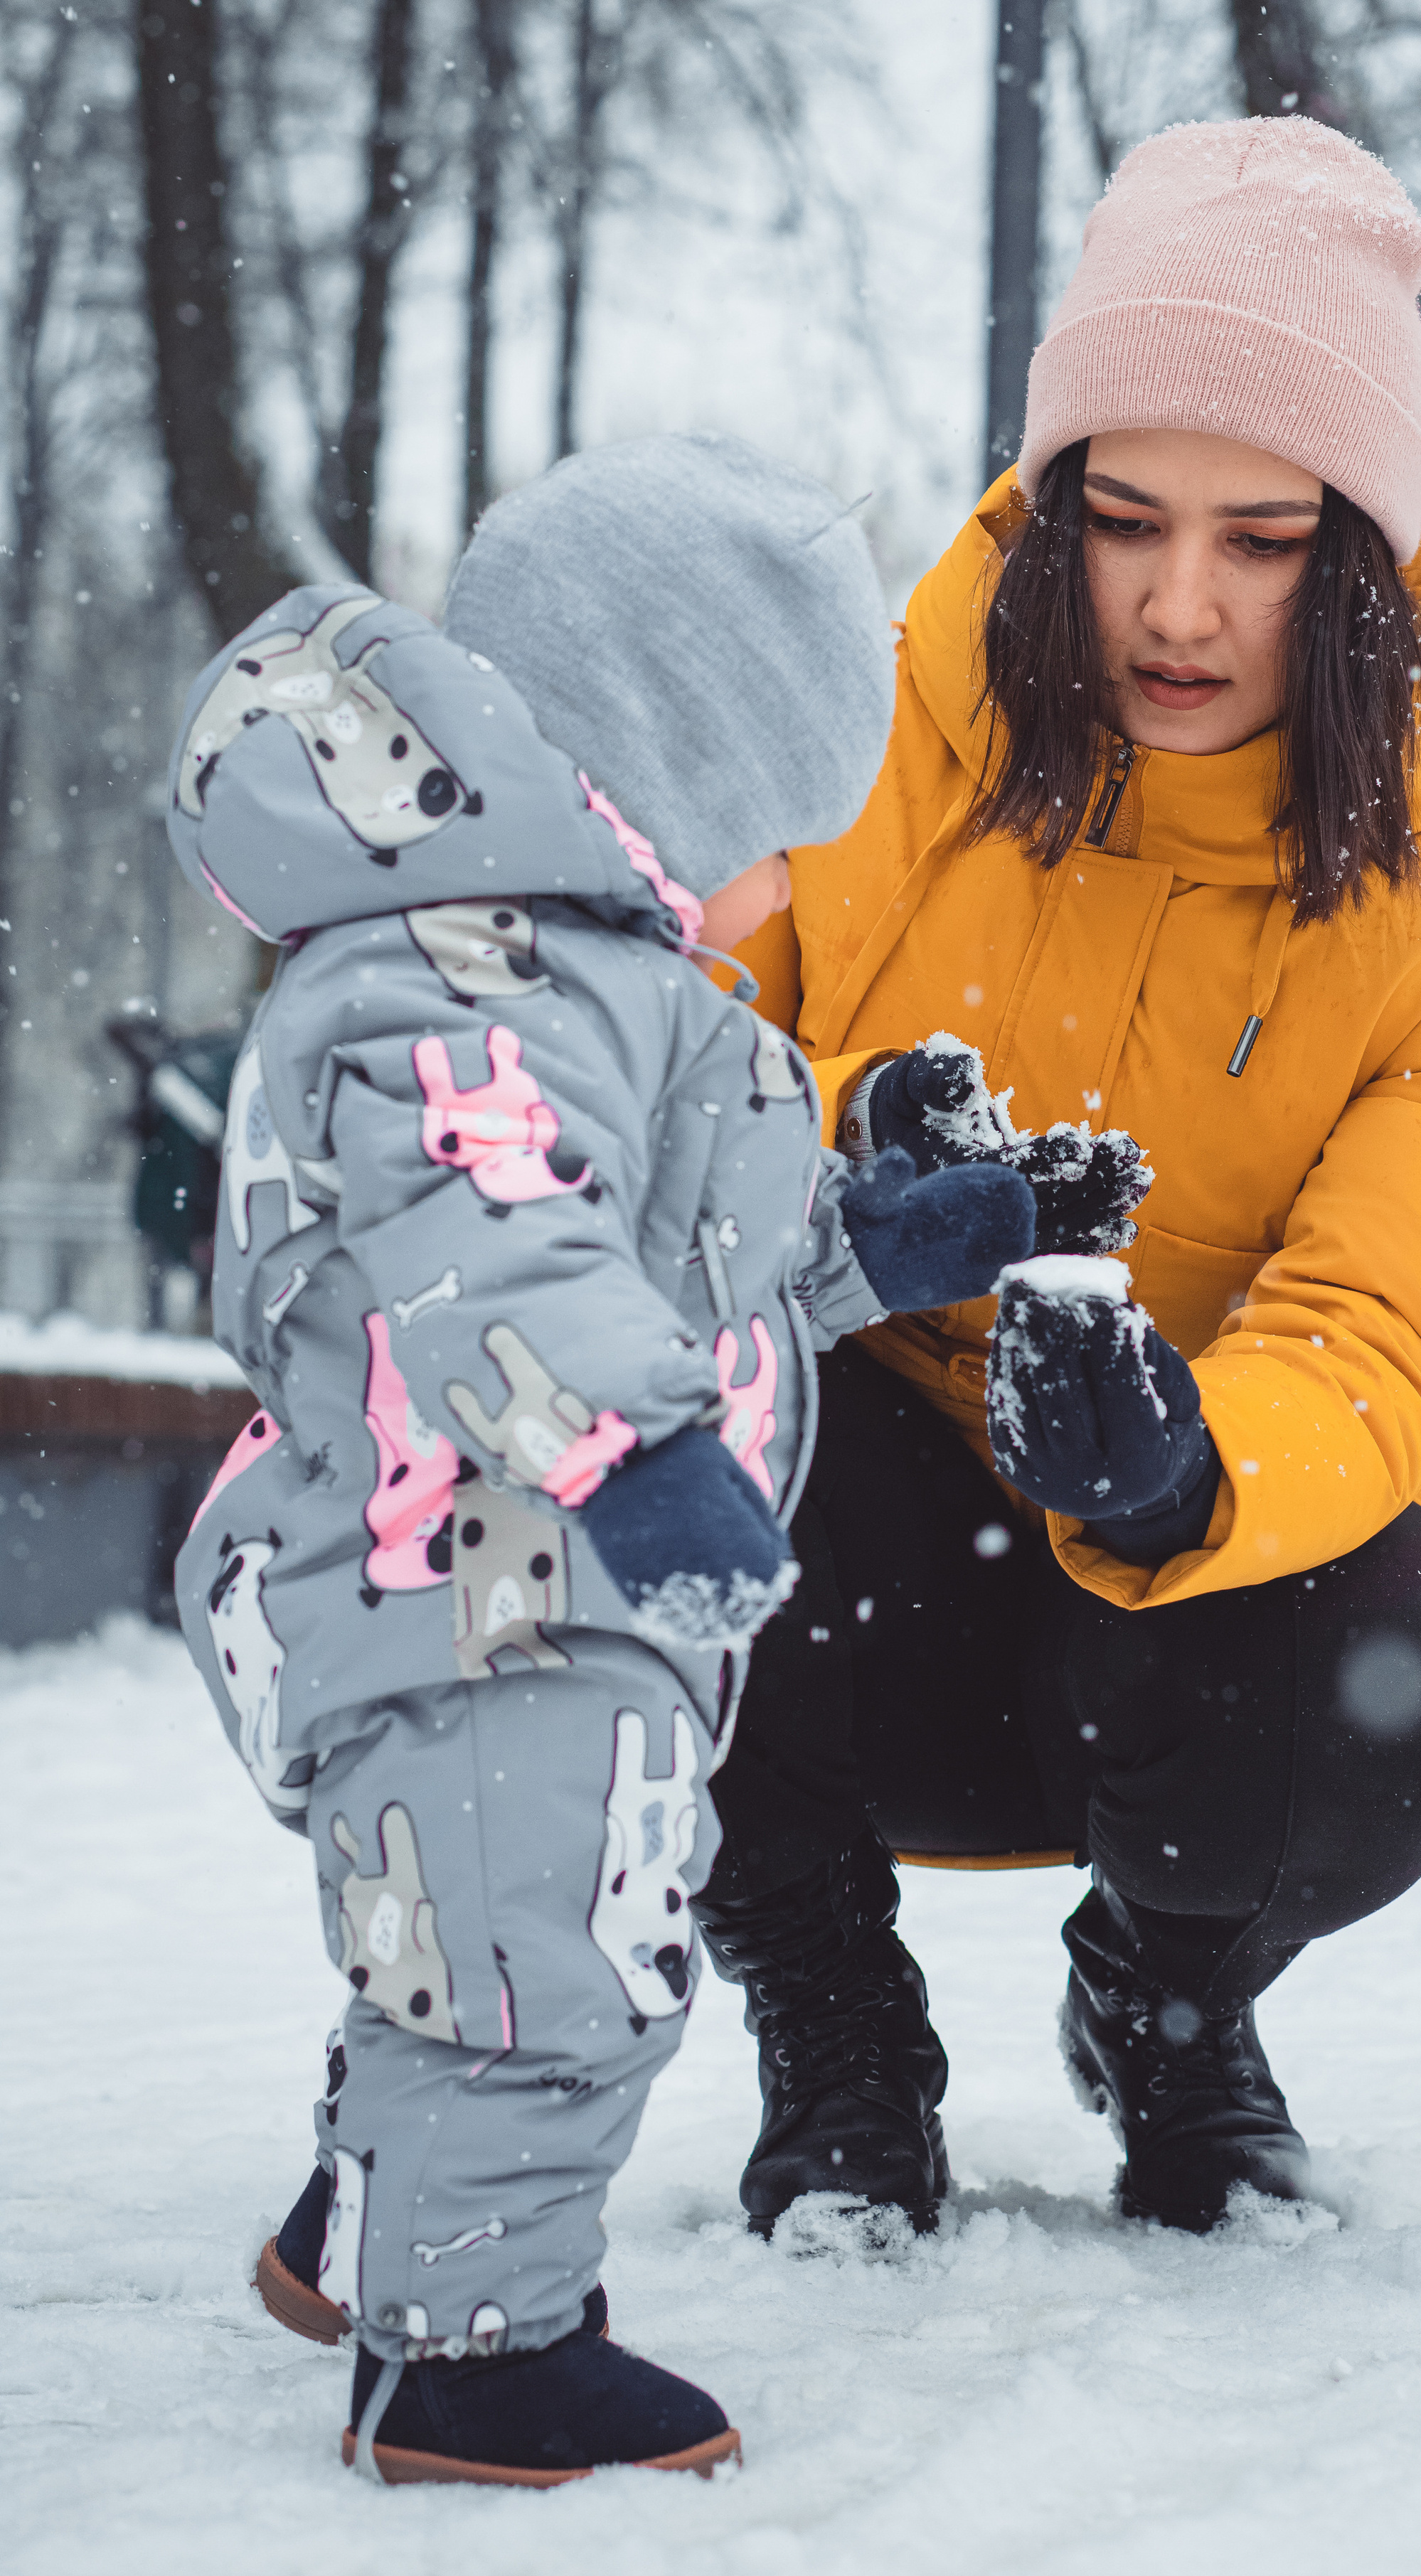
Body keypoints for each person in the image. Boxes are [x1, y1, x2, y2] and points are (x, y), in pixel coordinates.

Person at [694, 118, 1421, 2240]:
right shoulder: (891, 735)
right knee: (626, 1476)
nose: (1181, 608)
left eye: (1266, 539)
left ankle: (1168, 2005)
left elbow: (1380, 1323)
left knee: (1412, 1679)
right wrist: (819, 1145)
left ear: (1357, 556)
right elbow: (668, 1079)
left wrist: (1186, 1473)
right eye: (1125, 518)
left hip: (1200, 1585)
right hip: (868, 1526)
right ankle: (831, 2024)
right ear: (1054, 511)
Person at [166, 434, 1037, 2485]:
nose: (787, 887)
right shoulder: (477, 984)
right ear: (669, 771)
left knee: (459, 1932)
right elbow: (492, 1245)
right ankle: (468, 2353)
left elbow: (682, 1250)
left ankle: (364, 2229)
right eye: (777, 838)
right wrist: (642, 1450)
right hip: (473, 1585)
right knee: (550, 1958)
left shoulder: (596, 986)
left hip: (495, 1575)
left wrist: (887, 1240)